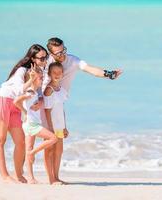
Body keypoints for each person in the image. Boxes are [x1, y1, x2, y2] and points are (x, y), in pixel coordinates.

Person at [41, 37, 123, 184]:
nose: (62, 54)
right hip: (46, 103)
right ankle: (48, 178)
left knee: (59, 147)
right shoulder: (46, 63)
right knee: (49, 146)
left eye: (63, 50)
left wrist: (109, 74)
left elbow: (90, 69)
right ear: (51, 53)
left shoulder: (73, 61)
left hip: (59, 102)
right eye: (58, 53)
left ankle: (57, 177)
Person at [0, 44, 48, 183]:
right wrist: (31, 79)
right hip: (3, 101)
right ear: (33, 58)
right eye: (41, 58)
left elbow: (39, 91)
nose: (44, 61)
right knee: (0, 140)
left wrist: (40, 100)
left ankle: (19, 175)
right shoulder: (22, 70)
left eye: (46, 57)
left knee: (21, 142)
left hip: (16, 107)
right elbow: (18, 91)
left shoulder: (40, 71)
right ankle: (5, 176)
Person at [13, 66, 58, 184]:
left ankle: (31, 178)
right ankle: (32, 153)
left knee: (29, 147)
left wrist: (26, 111)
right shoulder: (30, 92)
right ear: (32, 79)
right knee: (53, 138)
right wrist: (24, 111)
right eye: (40, 78)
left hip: (28, 124)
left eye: (42, 78)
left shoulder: (34, 93)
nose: (42, 80)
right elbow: (16, 101)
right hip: (32, 125)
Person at [43, 62, 69, 184]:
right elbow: (47, 111)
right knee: (50, 151)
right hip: (51, 126)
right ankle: (51, 179)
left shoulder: (61, 90)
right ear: (49, 74)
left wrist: (65, 127)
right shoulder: (49, 90)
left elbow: (61, 109)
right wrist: (50, 128)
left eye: (59, 72)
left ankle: (57, 177)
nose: (57, 74)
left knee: (59, 151)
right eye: (54, 72)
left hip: (60, 126)